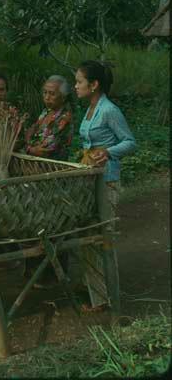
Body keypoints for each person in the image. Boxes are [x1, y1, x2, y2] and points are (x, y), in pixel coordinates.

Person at [75, 60, 136, 311]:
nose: (75, 86)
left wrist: (108, 152)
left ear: (94, 84)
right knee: (89, 235)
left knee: (103, 236)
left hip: (107, 180)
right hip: (89, 180)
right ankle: (96, 292)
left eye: (79, 81)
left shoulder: (109, 110)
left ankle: (107, 297)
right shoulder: (90, 109)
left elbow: (130, 142)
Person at [25, 75, 73, 161]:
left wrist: (29, 148)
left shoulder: (65, 118)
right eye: (45, 92)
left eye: (52, 94)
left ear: (63, 97)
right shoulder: (45, 112)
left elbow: (46, 149)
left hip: (52, 168)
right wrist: (30, 148)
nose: (47, 97)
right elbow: (29, 133)